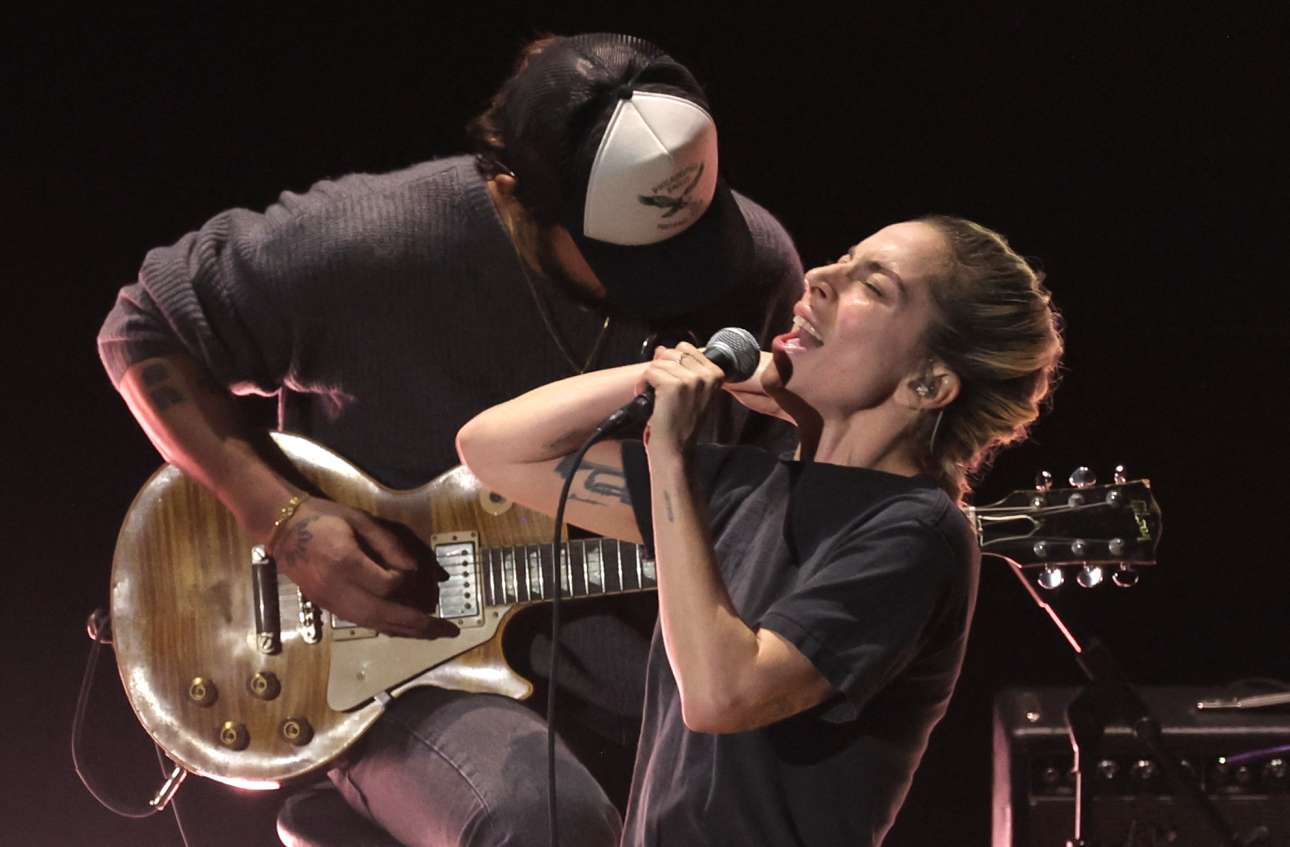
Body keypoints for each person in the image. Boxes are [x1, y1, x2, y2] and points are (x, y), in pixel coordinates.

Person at [97, 33, 802, 847]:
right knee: (543, 822)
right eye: (629, 259)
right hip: (397, 668)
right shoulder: (380, 241)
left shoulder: (753, 268)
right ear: (513, 196)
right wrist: (282, 520)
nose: (680, 282)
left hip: (641, 675)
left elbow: (773, 500)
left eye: (695, 237)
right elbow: (143, 328)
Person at [457, 215, 1064, 846]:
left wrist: (670, 456)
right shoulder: (743, 484)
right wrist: (696, 374)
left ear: (928, 383)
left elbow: (723, 695)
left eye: (873, 286)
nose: (820, 277)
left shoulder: (915, 534)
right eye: (842, 257)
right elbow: (495, 449)